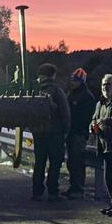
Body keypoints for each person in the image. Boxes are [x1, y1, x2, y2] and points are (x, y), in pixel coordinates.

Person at [31, 62, 71, 201]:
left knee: (39, 162)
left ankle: (37, 191)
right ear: (53, 75)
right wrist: (66, 130)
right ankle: (53, 191)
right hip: (54, 132)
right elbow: (65, 112)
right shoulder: (56, 90)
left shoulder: (33, 91)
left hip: (38, 132)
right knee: (55, 162)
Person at [89, 74, 112, 215]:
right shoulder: (100, 103)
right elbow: (94, 119)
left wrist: (108, 121)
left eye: (108, 84)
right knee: (109, 177)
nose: (105, 87)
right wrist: (92, 126)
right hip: (104, 146)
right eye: (103, 84)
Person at [63, 68, 96, 198]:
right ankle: (73, 186)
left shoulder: (86, 96)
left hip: (78, 133)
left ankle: (78, 188)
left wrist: (80, 130)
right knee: (71, 161)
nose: (72, 82)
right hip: (71, 133)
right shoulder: (71, 94)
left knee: (77, 161)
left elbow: (85, 117)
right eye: (71, 79)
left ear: (81, 81)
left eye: (75, 80)